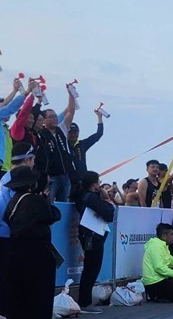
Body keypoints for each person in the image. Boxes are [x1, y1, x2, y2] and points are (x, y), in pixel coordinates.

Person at [0, 166, 61, 319]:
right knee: (39, 297)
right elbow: (54, 214)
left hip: (15, 251)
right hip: (36, 253)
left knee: (18, 297)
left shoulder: (13, 201)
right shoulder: (35, 200)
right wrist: (45, 199)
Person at [0, 143, 35, 317]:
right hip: (12, 234)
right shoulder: (16, 179)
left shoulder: (7, 177)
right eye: (33, 160)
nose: (33, 164)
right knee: (12, 280)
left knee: (8, 279)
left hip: (5, 234)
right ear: (27, 159)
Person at [73, 171, 115, 314]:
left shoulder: (87, 196)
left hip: (91, 235)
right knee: (91, 269)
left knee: (91, 268)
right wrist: (107, 200)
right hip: (91, 236)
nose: (100, 184)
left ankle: (85, 301)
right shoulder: (89, 197)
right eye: (98, 182)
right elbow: (109, 214)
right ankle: (85, 302)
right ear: (93, 183)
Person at [40, 85, 77, 201]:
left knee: (64, 203)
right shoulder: (41, 134)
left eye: (55, 116)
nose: (55, 119)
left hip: (65, 174)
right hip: (51, 176)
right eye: (51, 117)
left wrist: (71, 95)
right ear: (44, 120)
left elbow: (71, 111)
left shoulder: (61, 129)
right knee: (49, 202)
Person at [143, 223, 173, 303]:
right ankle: (156, 295)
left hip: (160, 280)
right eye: (171, 234)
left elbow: (170, 264)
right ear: (164, 236)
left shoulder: (164, 246)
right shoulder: (156, 246)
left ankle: (160, 296)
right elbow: (159, 267)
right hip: (154, 282)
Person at [67, 108, 105, 182]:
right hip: (68, 179)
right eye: (70, 132)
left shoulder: (82, 144)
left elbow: (98, 134)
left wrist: (99, 117)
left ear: (78, 132)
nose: (73, 135)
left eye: (75, 132)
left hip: (82, 180)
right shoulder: (63, 144)